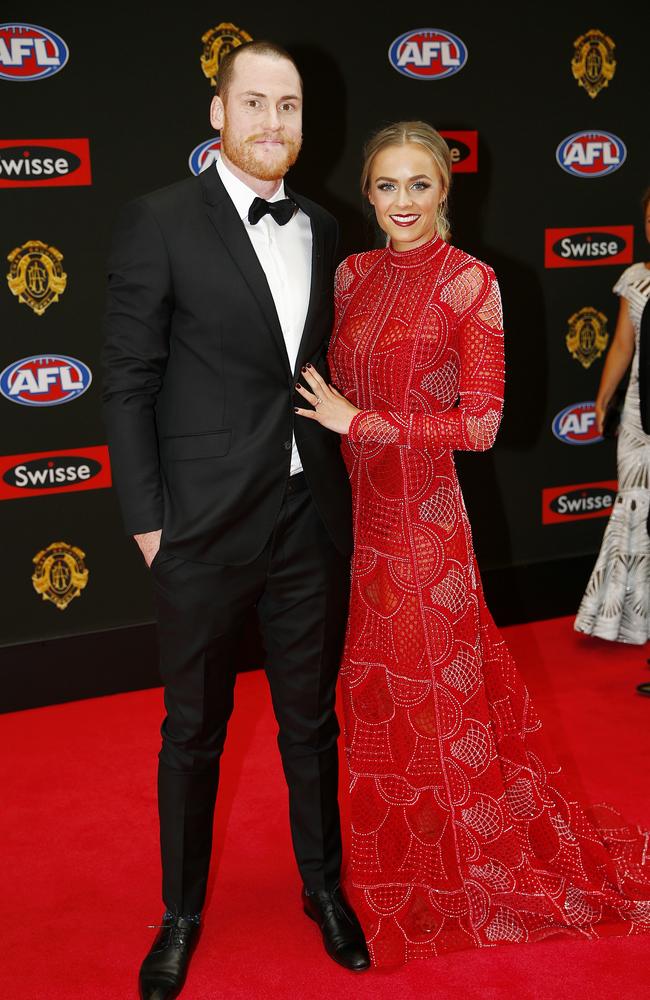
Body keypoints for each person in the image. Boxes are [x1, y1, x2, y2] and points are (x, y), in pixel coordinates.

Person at [295, 121, 650, 967]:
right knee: (376, 706)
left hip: (424, 531)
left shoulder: (472, 283)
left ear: (445, 189)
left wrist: (363, 422)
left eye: (420, 184)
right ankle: (396, 855)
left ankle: (460, 864)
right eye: (387, 185)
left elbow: (483, 425)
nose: (403, 202)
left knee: (436, 703)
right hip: (352, 526)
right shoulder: (350, 275)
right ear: (368, 192)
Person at [102, 40, 369, 1000]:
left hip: (308, 517)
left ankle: (323, 890)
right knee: (193, 731)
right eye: (252, 104)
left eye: (288, 106)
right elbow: (126, 381)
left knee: (311, 722)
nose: (272, 123)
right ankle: (179, 915)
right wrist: (148, 522)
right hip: (201, 525)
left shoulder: (328, 228)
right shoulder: (159, 222)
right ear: (217, 114)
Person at [575, 190, 650, 659]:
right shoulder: (635, 280)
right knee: (634, 514)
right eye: (649, 217)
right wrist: (604, 400)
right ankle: (629, 622)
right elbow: (622, 345)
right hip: (640, 419)